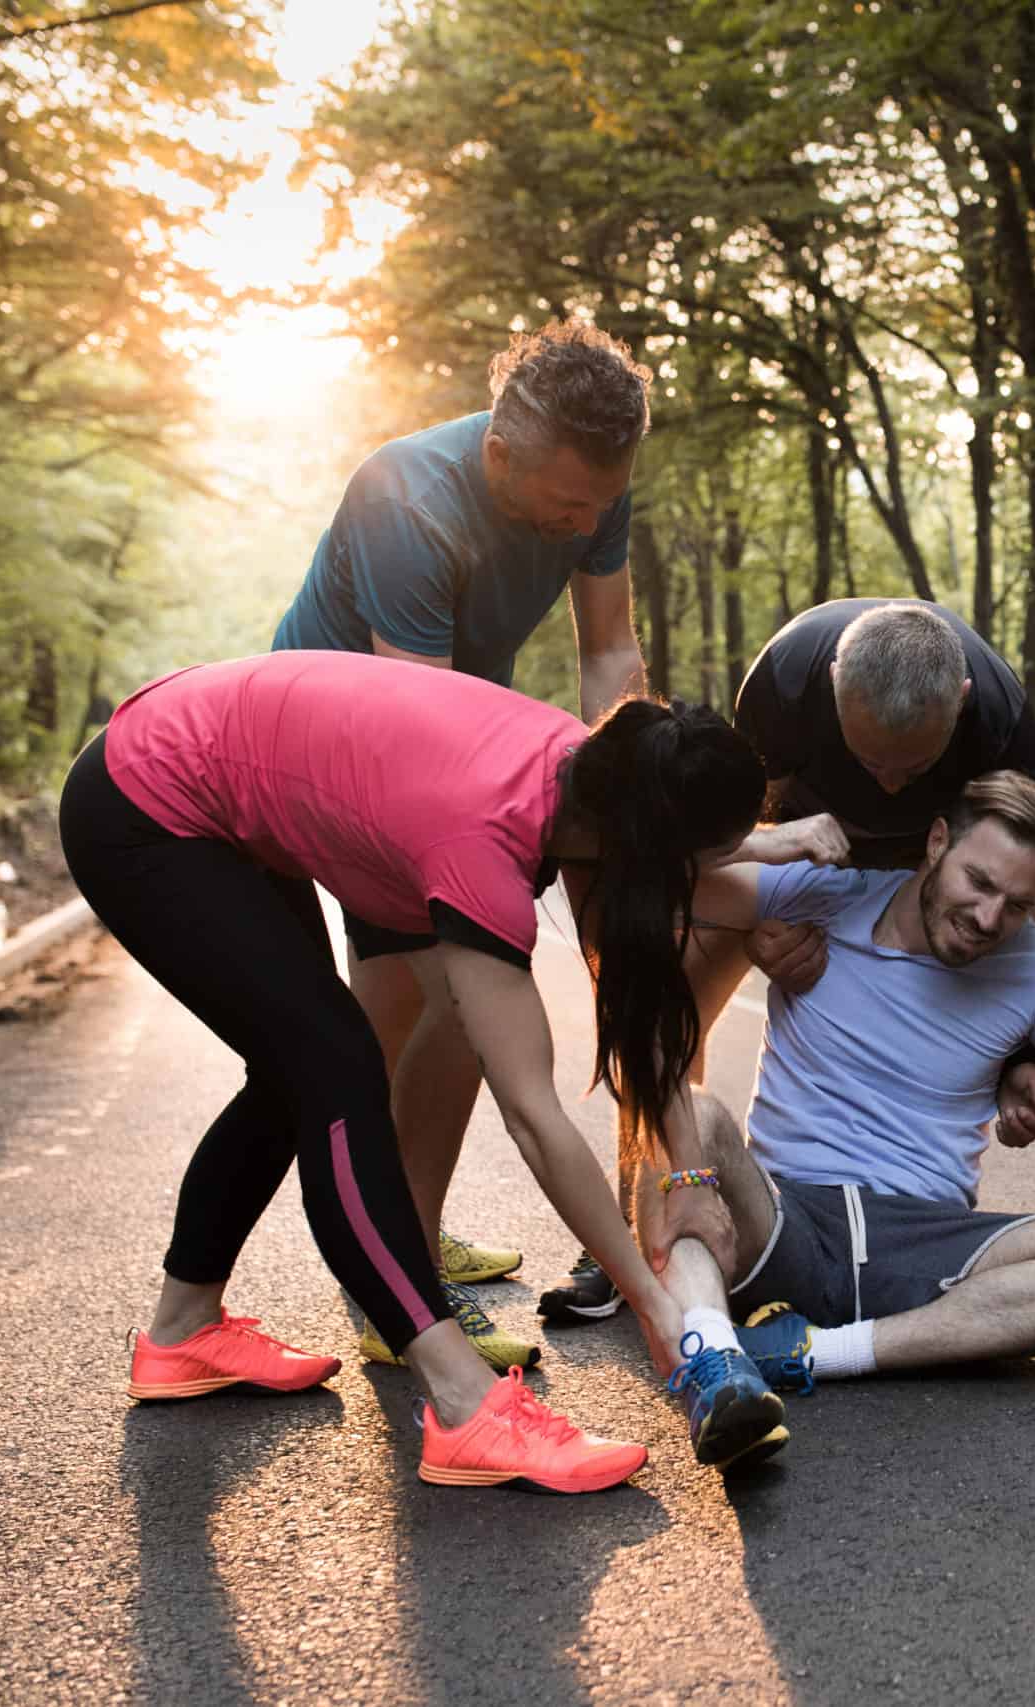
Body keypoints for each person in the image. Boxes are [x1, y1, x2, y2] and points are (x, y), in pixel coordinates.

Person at [63, 649, 798, 1483]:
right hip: (143, 803)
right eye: (687, 866)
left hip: (206, 778)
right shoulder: (483, 837)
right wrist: (656, 1305)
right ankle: (460, 1403)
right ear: (642, 845)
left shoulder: (600, 769)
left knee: (291, 1061)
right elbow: (533, 1114)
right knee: (334, 1066)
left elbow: (635, 988)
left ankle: (181, 1329)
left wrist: (684, 1177)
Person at [537, 598, 1035, 1331]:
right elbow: (701, 841)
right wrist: (766, 908)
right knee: (665, 959)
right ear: (836, 685)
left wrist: (1023, 1053)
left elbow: (1032, 884)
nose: (892, 783)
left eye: (915, 764)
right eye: (872, 761)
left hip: (960, 858)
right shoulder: (784, 684)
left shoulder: (999, 716)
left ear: (959, 704)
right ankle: (645, 1201)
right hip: (813, 842)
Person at [270, 321, 650, 1323]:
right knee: (438, 1004)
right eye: (569, 502)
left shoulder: (593, 483)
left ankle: (401, 1229)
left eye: (600, 503)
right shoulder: (408, 498)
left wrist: (631, 789)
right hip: (333, 746)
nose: (585, 523)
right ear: (496, 455)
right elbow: (418, 729)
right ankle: (399, 1285)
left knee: (417, 1007)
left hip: (441, 729)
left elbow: (610, 653)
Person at [618, 772, 1035, 1395]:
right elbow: (644, 876)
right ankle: (714, 1357)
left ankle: (814, 1354)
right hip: (781, 1218)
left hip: (925, 1242)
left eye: (1016, 904)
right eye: (978, 882)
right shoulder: (821, 896)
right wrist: (764, 843)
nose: (988, 918)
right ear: (936, 843)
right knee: (686, 1111)